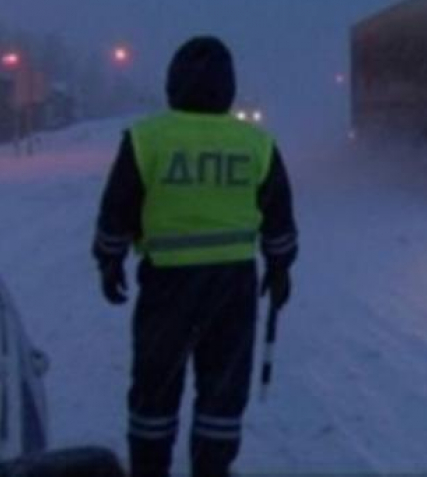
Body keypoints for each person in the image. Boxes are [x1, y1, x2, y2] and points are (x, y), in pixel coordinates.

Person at [92, 36, 298, 477]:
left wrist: (108, 261)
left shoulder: (147, 139)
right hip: (234, 286)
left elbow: (117, 209)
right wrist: (280, 268)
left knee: (155, 388)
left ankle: (150, 468)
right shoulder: (256, 143)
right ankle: (212, 469)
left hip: (167, 287)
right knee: (222, 391)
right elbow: (279, 216)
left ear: (173, 84)